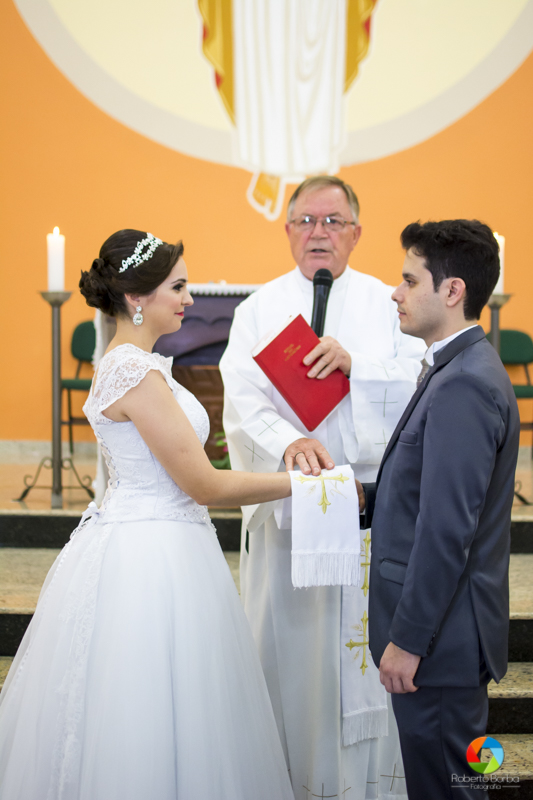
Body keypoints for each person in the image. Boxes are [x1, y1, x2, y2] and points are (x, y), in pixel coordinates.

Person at [0, 230, 296, 800]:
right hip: (152, 558)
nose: (190, 299)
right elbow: (202, 484)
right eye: (178, 287)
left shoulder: (134, 365)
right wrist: (301, 487)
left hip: (157, 539)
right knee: (152, 704)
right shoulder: (134, 372)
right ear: (137, 297)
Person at [219, 176, 426, 800]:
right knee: (293, 657)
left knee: (362, 652)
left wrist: (356, 366)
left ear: (356, 233)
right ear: (287, 231)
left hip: (368, 512)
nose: (319, 233)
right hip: (291, 514)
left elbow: (420, 377)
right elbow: (241, 399)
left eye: (333, 222)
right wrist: (289, 442)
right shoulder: (258, 310)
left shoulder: (389, 304)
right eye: (306, 221)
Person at [360, 220, 520, 799]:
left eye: (409, 280)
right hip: (444, 637)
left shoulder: (464, 383)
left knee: (451, 789)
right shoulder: (455, 366)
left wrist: (409, 641)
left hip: (439, 642)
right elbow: (429, 491)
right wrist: (358, 497)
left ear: (452, 290)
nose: (395, 293)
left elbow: (447, 528)